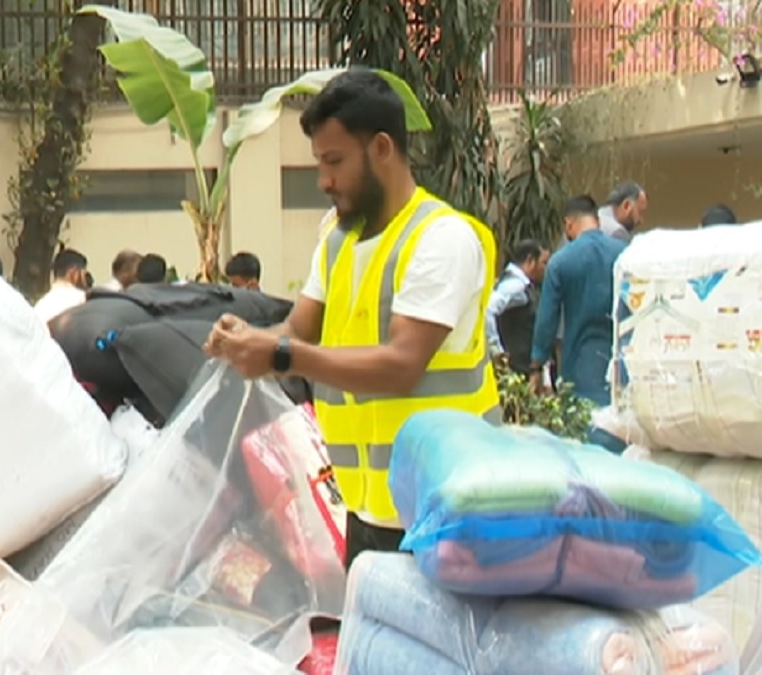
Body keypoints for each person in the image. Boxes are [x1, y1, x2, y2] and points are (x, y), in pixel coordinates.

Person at [204, 67, 500, 569]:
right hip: (368, 512)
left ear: (382, 148)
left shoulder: (441, 239)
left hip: (446, 514)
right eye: (320, 163)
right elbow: (297, 332)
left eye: (335, 162)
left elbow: (401, 364)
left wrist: (279, 354)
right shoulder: (337, 243)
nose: (324, 180)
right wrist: (249, 341)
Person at [530, 195, 628, 407]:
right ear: (597, 221)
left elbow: (547, 321)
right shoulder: (624, 255)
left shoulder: (560, 262)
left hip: (578, 366)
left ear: (569, 224)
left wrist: (537, 365)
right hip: (622, 367)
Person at [486, 239, 549, 375]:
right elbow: (489, 309)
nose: (545, 269)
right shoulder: (516, 286)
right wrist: (496, 350)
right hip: (517, 368)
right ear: (530, 261)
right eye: (543, 263)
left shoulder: (520, 285)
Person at [34, 248, 89, 322]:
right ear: (74, 273)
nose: (85, 281)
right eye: (84, 275)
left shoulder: (40, 306)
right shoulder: (81, 300)